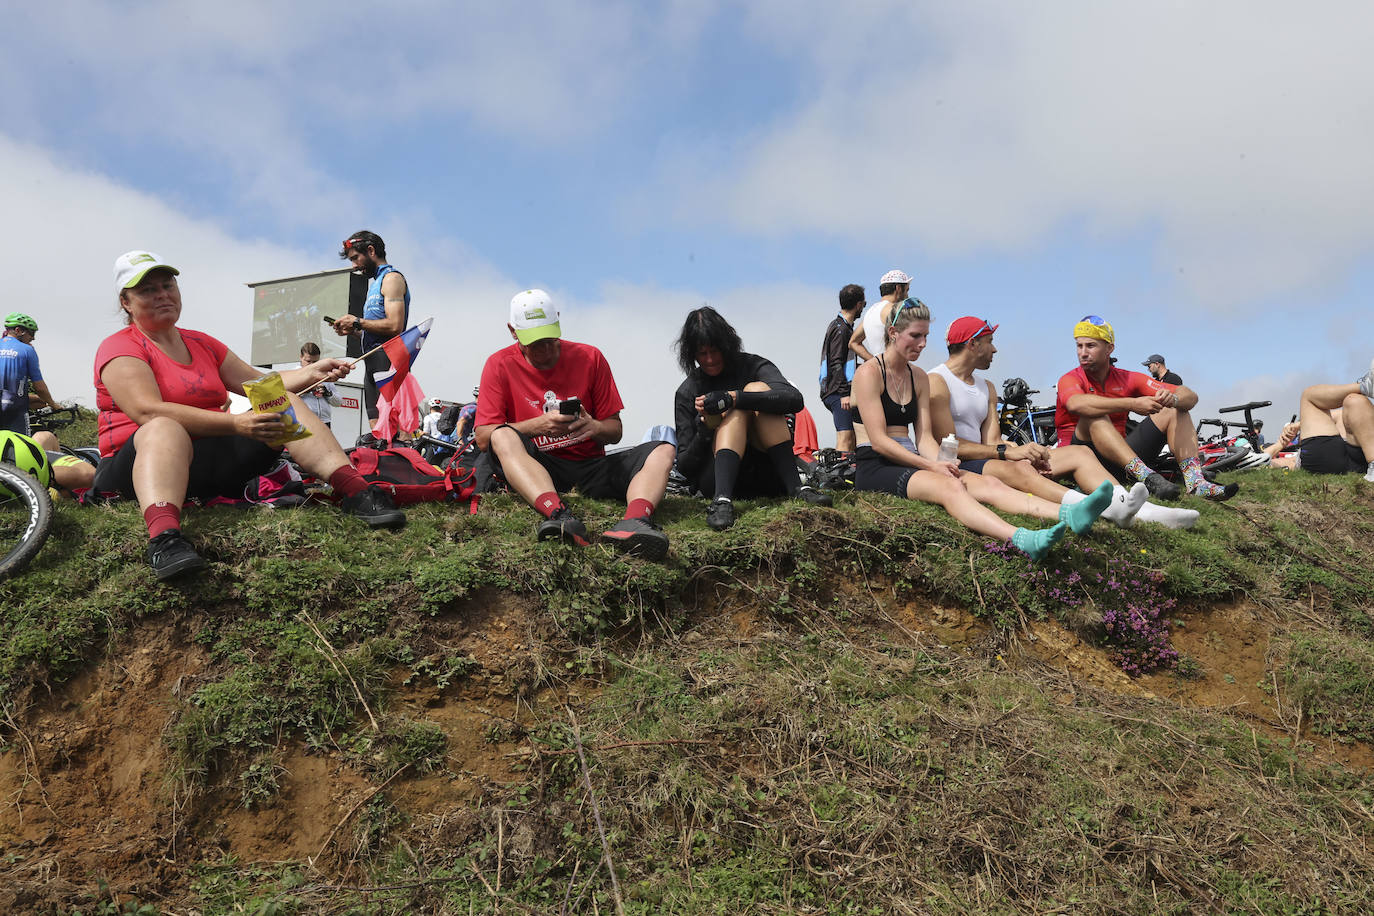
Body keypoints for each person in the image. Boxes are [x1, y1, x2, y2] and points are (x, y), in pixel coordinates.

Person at [95, 251, 406, 581]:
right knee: (163, 427)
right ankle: (164, 539)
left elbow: (261, 385)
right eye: (147, 290)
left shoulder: (201, 343)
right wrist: (236, 423)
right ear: (126, 302)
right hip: (136, 469)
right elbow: (146, 410)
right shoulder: (119, 347)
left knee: (278, 399)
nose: (162, 294)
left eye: (167, 284)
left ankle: (358, 492)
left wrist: (314, 371)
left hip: (207, 462)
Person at [851, 299, 1114, 561]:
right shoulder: (870, 373)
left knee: (988, 483)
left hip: (911, 461)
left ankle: (1069, 514)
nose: (922, 344)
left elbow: (925, 438)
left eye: (926, 336)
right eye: (915, 336)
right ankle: (1022, 539)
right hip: (875, 466)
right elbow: (879, 442)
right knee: (950, 488)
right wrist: (931, 467)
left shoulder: (917, 376)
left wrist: (944, 462)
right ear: (893, 333)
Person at [928, 316, 1198, 529]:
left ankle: (1132, 503)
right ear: (973, 344)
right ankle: (1114, 508)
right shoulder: (937, 380)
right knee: (1026, 468)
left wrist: (1022, 449)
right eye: (990, 341)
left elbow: (993, 441)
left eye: (1089, 345)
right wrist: (1006, 452)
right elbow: (948, 446)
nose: (995, 348)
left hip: (991, 458)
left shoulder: (986, 386)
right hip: (962, 463)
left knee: (1078, 453)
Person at [474, 289, 676, 558]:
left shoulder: (590, 357)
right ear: (513, 331)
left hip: (590, 467)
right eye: (534, 343)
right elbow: (484, 438)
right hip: (536, 465)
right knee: (502, 436)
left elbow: (615, 430)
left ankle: (635, 522)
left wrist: (595, 427)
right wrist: (539, 425)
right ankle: (559, 515)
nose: (545, 350)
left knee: (663, 449)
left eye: (549, 339)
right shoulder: (499, 364)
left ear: (558, 320)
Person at [673, 307, 832, 531]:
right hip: (716, 479)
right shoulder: (687, 391)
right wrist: (705, 428)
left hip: (767, 475)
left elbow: (794, 399)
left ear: (726, 344)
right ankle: (722, 500)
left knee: (753, 393)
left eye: (715, 351)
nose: (709, 360)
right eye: (702, 354)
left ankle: (797, 489)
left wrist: (734, 397)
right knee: (736, 410)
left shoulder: (754, 366)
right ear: (692, 354)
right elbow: (685, 467)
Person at [1055, 315, 1238, 502]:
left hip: (1121, 461)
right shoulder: (1069, 378)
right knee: (1093, 415)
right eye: (1079, 346)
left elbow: (1190, 396)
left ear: (1109, 349)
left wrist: (1173, 398)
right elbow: (1075, 404)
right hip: (1080, 462)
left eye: (1091, 346)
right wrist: (1133, 403)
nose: (1083, 352)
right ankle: (1149, 478)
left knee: (1174, 409)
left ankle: (1196, 483)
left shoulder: (1128, 378)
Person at [331, 231, 409, 435]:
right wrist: (354, 330)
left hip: (389, 362)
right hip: (371, 364)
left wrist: (357, 321)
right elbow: (374, 332)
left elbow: (395, 326)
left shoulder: (392, 278)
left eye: (356, 258)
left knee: (398, 432)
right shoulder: (374, 284)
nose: (354, 266)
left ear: (371, 251)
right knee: (378, 432)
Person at [1289, 363, 1374, 481]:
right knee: (1310, 396)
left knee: (1353, 401)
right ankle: (1365, 386)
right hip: (1332, 456)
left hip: (1333, 456)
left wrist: (1299, 425)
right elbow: (1281, 461)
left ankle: (1365, 387)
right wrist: (1279, 445)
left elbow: (1340, 414)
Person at [1, 312, 62, 435]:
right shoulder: (27, 350)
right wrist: (53, 404)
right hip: (14, 411)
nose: (33, 338)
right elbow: (39, 387)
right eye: (31, 333)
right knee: (22, 448)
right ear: (18, 330)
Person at [820, 284, 864, 452]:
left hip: (835, 388)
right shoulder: (842, 329)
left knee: (852, 436)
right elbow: (836, 362)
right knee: (845, 436)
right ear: (858, 305)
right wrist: (844, 393)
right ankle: (838, 476)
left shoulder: (840, 326)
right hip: (838, 391)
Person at [849, 269, 912, 363]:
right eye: (906, 290)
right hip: (895, 371)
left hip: (878, 373)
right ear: (898, 288)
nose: (907, 296)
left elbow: (853, 342)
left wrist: (876, 362)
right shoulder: (894, 310)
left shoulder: (870, 312)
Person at [298, 342, 341, 428]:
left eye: (315, 362)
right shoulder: (294, 374)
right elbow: (285, 399)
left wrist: (327, 393)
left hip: (324, 422)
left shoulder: (324, 375)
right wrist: (307, 390)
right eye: (308, 361)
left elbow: (338, 403)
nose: (311, 365)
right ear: (301, 357)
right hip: (303, 422)